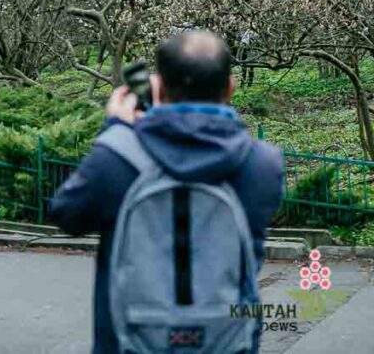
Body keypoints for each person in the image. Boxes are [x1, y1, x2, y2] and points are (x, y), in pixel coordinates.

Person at [49, 31, 284, 354]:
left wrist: (116, 130)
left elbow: (66, 215)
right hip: (230, 341)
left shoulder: (117, 158)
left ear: (158, 87)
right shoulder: (262, 164)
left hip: (126, 342)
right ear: (230, 87)